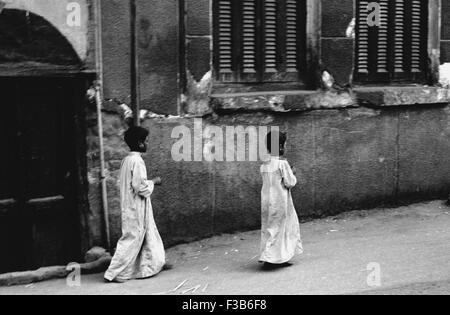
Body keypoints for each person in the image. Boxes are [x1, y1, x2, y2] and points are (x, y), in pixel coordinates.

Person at [104, 126, 167, 282]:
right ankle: (115, 272)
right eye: (146, 141)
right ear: (140, 143)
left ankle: (148, 266)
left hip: (130, 204)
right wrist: (154, 181)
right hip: (136, 206)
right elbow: (140, 187)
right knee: (132, 238)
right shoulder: (137, 161)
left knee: (143, 235)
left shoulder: (127, 160)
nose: (147, 144)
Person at [259, 131, 303, 269]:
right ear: (280, 146)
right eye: (284, 144)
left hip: (266, 202)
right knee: (282, 229)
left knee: (269, 228)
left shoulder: (264, 165)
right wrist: (292, 172)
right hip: (280, 202)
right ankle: (276, 257)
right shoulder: (282, 164)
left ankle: (270, 256)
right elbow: (290, 182)